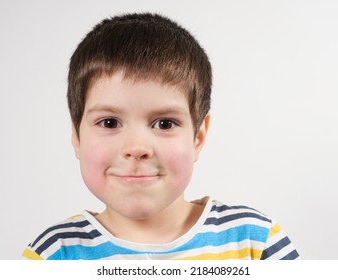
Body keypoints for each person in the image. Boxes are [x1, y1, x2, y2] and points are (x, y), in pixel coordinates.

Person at [22, 13, 299, 260]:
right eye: (109, 122)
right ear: (76, 137)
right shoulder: (54, 254)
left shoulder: (255, 242)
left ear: (198, 138)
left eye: (164, 123)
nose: (137, 148)